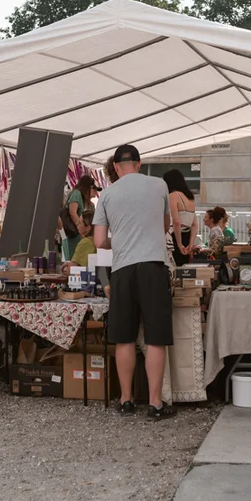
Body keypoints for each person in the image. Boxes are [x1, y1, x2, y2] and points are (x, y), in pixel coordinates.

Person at [92, 144, 176, 421]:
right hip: (153, 265)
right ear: (139, 164)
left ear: (115, 167)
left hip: (123, 270)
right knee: (155, 338)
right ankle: (154, 403)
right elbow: (165, 226)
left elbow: (99, 242)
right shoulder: (159, 185)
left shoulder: (107, 194)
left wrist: (121, 238)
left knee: (124, 337)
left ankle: (126, 399)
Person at [163, 169, 196, 267]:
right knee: (185, 270)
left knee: (174, 269)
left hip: (175, 236)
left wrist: (179, 244)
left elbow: (176, 222)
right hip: (187, 236)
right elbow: (194, 224)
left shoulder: (173, 196)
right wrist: (191, 244)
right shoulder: (190, 197)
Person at [63, 175, 99, 261]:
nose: (95, 191)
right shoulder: (77, 194)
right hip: (74, 233)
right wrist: (80, 227)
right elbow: (72, 212)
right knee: (74, 257)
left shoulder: (89, 203)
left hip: (81, 234)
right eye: (93, 188)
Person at [62, 208, 97, 272]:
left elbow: (70, 271)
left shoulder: (84, 243)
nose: (77, 224)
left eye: (80, 223)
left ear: (88, 228)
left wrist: (66, 269)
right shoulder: (97, 242)